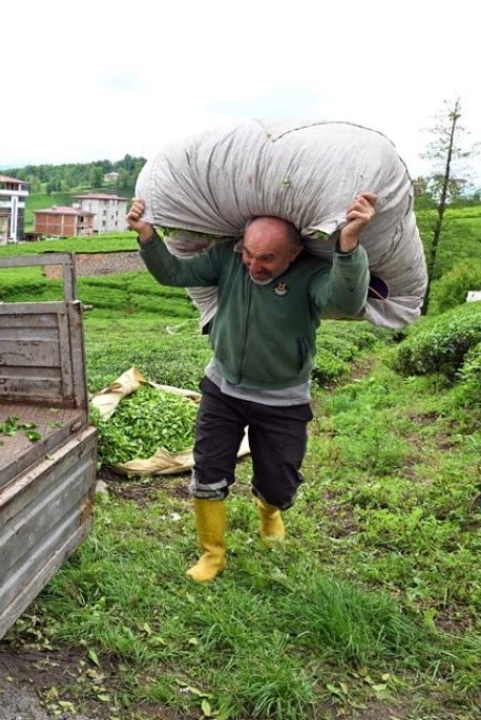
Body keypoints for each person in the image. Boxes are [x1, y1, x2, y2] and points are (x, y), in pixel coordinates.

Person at [126, 193, 377, 582]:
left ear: (293, 254)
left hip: (283, 399)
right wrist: (147, 237)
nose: (253, 266)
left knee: (278, 482)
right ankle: (212, 554)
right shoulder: (228, 258)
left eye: (267, 259)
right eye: (249, 254)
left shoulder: (310, 274)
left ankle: (270, 511)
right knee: (208, 470)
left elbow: (345, 301)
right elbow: (174, 274)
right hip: (222, 387)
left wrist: (348, 245)